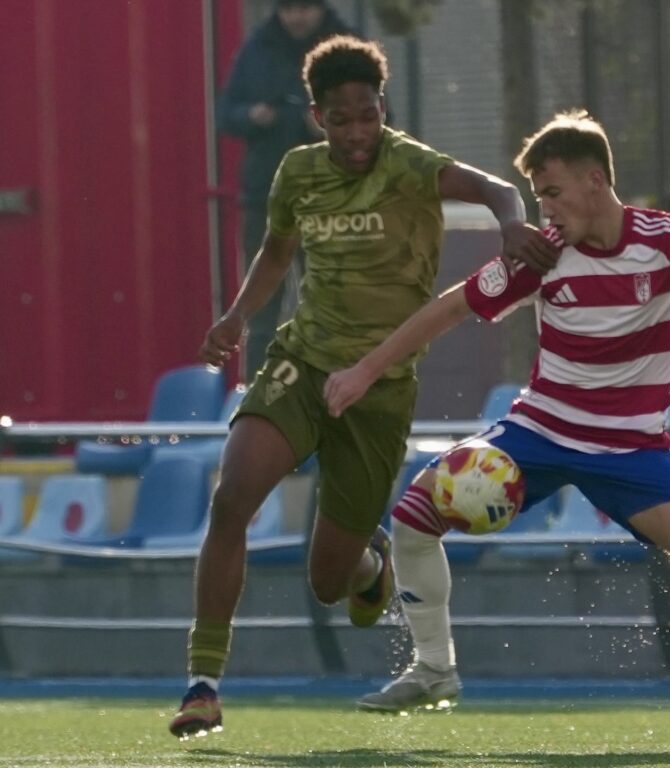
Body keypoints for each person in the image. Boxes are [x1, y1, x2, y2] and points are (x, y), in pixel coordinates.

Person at [322, 111, 670, 751]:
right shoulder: (541, 255)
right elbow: (451, 306)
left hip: (630, 445)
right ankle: (434, 669)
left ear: (595, 181)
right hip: (538, 430)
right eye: (538, 196)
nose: (545, 208)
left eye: (552, 192)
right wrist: (365, 370)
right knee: (411, 516)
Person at [168, 35, 559, 739]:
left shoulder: (410, 164)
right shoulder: (297, 172)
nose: (356, 133)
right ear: (317, 117)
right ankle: (203, 684)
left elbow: (499, 189)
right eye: (341, 120)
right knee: (231, 499)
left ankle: (369, 563)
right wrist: (237, 316)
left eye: (368, 116)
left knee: (329, 581)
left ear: (383, 109)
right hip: (304, 363)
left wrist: (511, 226)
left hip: (380, 384)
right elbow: (277, 252)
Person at [218, 0, 356, 381]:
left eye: (305, 8)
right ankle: (258, 392)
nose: (297, 17)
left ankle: (332, 390)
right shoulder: (258, 48)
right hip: (265, 197)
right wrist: (252, 116)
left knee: (331, 308)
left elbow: (381, 118)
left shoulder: (346, 47)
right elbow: (226, 112)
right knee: (259, 310)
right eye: (288, 9)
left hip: (329, 201)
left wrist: (331, 125)